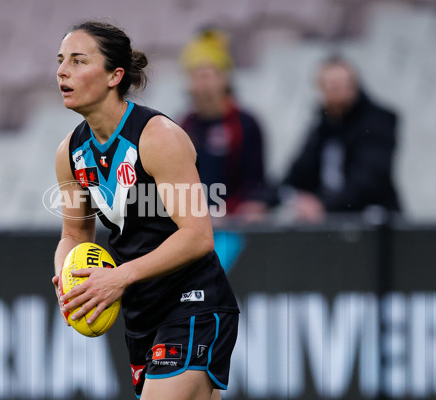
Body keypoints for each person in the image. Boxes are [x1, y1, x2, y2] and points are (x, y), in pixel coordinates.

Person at [51, 21, 239, 400]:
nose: (62, 71)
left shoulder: (159, 137)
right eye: (60, 61)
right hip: (141, 312)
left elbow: (198, 236)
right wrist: (67, 280)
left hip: (192, 300)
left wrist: (119, 277)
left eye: (77, 60)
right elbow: (74, 235)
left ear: (114, 75)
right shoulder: (68, 153)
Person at [276, 55, 401, 222]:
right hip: (330, 221)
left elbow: (369, 179)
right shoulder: (323, 126)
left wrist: (323, 204)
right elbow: (298, 172)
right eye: (331, 86)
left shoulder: (377, 121)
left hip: (371, 221)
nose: (338, 92)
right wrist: (263, 200)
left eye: (343, 84)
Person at [179, 28, 268, 223]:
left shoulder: (244, 123)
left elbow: (256, 182)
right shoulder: (185, 125)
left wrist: (228, 211)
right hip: (195, 222)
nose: (203, 85)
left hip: (233, 222)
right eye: (197, 77)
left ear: (223, 79)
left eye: (207, 76)